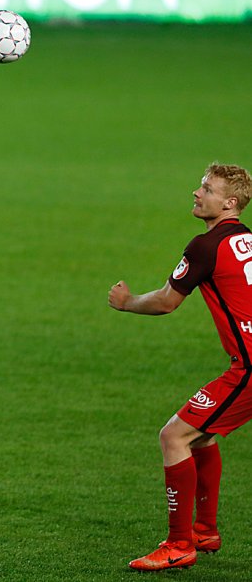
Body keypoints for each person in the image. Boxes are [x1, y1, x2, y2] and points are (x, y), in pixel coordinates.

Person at [110, 163, 252, 571]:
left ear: (229, 203)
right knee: (200, 436)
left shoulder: (206, 247)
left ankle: (179, 544)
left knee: (174, 436)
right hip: (246, 364)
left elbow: (166, 301)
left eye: (207, 189)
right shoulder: (246, 239)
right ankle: (204, 530)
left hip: (249, 369)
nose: (196, 192)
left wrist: (127, 302)